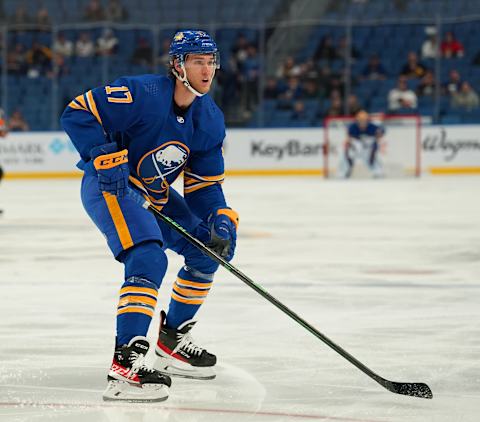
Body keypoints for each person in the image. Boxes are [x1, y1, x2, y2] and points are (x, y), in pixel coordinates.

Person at [60, 30, 238, 402]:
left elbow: (203, 186)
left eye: (211, 62)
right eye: (197, 61)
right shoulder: (142, 93)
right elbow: (77, 111)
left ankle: (172, 339)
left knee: (208, 251)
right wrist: (102, 153)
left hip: (154, 194)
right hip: (113, 186)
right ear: (177, 65)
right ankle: (126, 363)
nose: (207, 70)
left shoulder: (209, 119)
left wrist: (219, 216)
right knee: (147, 257)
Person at [338, 110, 384, 179]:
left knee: (372, 159)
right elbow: (348, 139)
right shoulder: (352, 127)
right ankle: (344, 172)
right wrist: (351, 145)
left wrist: (376, 141)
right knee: (348, 156)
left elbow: (380, 135)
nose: (362, 122)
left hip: (368, 149)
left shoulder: (373, 127)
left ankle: (377, 172)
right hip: (356, 149)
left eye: (364, 120)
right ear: (357, 120)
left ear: (367, 120)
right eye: (360, 120)